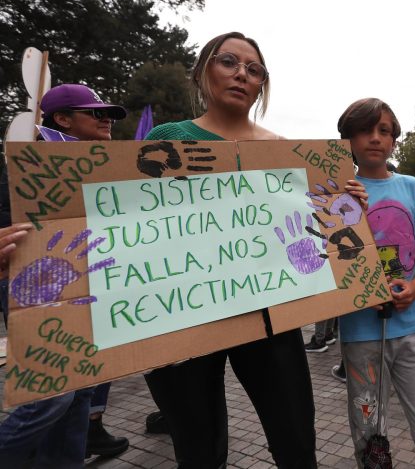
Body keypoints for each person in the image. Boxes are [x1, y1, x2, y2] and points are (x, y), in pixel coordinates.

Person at [142, 32, 318, 469]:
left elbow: (306, 225)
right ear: (203, 71)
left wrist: (347, 205)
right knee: (198, 450)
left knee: (296, 439)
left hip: (269, 311)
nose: (241, 74)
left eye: (254, 69)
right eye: (228, 62)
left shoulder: (281, 150)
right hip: (188, 312)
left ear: (261, 85)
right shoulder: (169, 138)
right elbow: (134, 225)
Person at [0, 84, 129, 468]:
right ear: (62, 119)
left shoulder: (101, 167)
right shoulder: (27, 167)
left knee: (80, 389)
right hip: (35, 288)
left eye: (109, 114)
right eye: (96, 113)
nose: (107, 120)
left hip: (87, 285)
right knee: (52, 396)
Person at [336, 98, 415, 468]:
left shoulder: (412, 187)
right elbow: (328, 257)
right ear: (347, 140)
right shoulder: (335, 193)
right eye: (364, 130)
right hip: (360, 335)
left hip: (413, 331)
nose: (375, 138)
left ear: (393, 140)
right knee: (369, 437)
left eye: (384, 130)